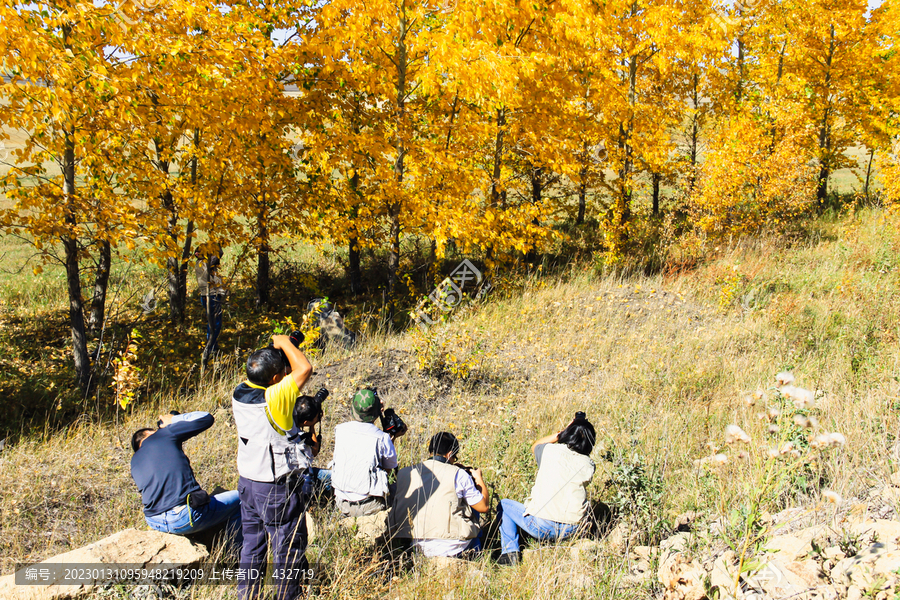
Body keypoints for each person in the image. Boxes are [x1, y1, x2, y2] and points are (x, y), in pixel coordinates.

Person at [232, 335, 313, 600]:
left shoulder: (240, 391)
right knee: (286, 550)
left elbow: (266, 371)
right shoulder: (275, 398)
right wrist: (285, 343)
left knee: (252, 547)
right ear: (276, 380)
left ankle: (247, 595)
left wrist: (272, 351)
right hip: (274, 487)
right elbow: (305, 369)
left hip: (247, 482)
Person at [130, 412, 242, 548]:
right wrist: (173, 420)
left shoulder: (134, 461)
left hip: (155, 521)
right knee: (242, 498)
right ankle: (236, 554)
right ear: (149, 433)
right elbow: (206, 418)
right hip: (183, 516)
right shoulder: (162, 436)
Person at [496, 416, 596, 566]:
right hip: (573, 528)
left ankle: (510, 552)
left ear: (567, 433)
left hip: (541, 527)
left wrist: (560, 433)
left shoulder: (549, 450)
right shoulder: (589, 464)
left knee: (504, 505)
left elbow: (536, 445)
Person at [388, 432, 490, 558]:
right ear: (450, 454)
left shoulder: (404, 473)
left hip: (415, 542)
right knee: (472, 504)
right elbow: (483, 507)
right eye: (454, 457)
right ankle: (476, 554)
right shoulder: (459, 474)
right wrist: (478, 478)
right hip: (453, 545)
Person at [330, 388, 401, 517]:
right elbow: (390, 469)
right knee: (402, 488)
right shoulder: (382, 438)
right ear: (377, 412)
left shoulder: (339, 430)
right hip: (369, 504)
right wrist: (392, 439)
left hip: (341, 502)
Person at [195, 250, 226, 365]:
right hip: (211, 297)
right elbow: (218, 255)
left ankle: (213, 345)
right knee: (215, 324)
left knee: (212, 323)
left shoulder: (205, 264)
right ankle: (211, 347)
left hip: (210, 296)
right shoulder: (204, 264)